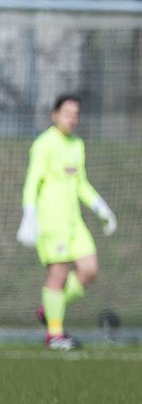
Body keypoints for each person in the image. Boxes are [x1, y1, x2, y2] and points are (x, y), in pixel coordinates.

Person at [16, 93, 118, 350]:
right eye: (67, 113)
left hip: (75, 222)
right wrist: (29, 214)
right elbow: (32, 181)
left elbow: (80, 182)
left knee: (89, 270)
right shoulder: (44, 144)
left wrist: (100, 207)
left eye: (76, 114)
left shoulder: (77, 144)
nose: (72, 119)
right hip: (52, 220)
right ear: (55, 115)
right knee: (58, 273)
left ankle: (51, 309)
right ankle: (54, 333)